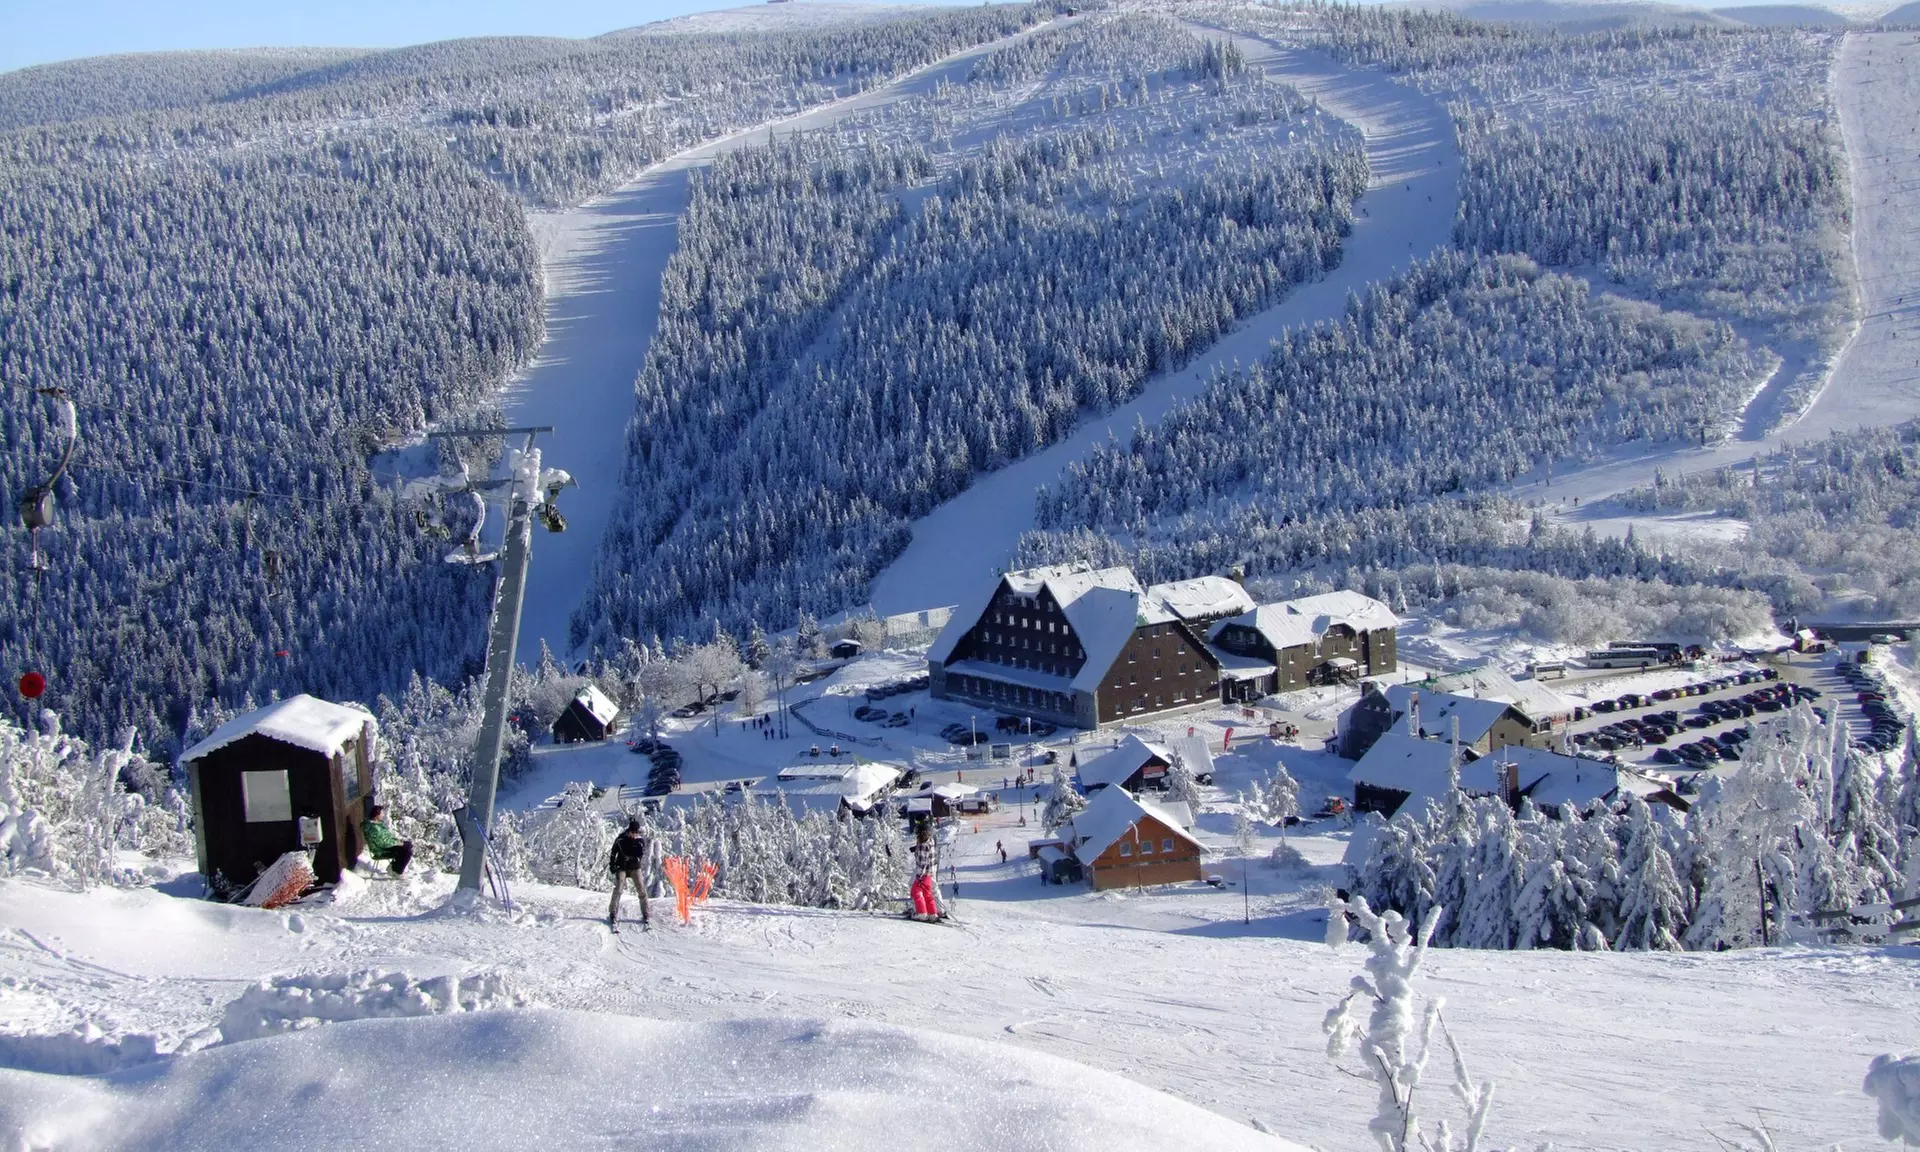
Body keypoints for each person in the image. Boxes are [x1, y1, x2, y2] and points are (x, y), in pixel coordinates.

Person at [607, 818, 650, 928]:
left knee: (641, 890)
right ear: (629, 830)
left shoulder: (640, 841)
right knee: (618, 889)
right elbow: (613, 852)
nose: (634, 835)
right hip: (622, 867)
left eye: (636, 833)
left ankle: (646, 913)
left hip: (635, 868)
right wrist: (612, 864)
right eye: (632, 832)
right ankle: (613, 913)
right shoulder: (621, 839)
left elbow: (640, 856)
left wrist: (631, 859)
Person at [361, 804, 413, 876]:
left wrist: (397, 841)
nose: (383, 815)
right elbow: (382, 843)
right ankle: (397, 871)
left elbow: (387, 837)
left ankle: (394, 867)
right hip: (381, 850)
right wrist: (397, 843)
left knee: (408, 845)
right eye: (382, 813)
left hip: (386, 846)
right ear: (377, 815)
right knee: (407, 852)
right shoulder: (374, 828)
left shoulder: (378, 825)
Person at [910, 826, 939, 920]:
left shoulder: (922, 845)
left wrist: (920, 876)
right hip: (930, 873)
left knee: (916, 891)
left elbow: (923, 862)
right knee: (927, 894)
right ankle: (932, 913)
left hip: (923, 874)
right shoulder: (930, 842)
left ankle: (922, 913)